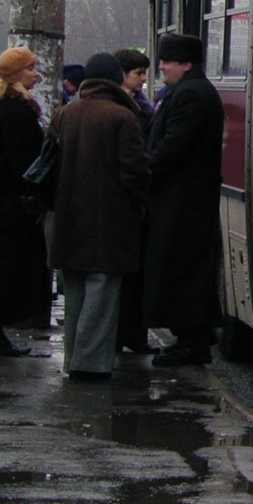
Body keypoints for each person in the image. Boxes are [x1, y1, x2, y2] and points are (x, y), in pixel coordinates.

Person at [48, 53, 150, 380]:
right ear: (115, 78)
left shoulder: (65, 114)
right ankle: (90, 364)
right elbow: (134, 172)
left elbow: (48, 164)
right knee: (102, 291)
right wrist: (140, 207)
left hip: (68, 217)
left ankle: (72, 357)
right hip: (109, 220)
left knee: (75, 289)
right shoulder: (122, 117)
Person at [143, 34, 224, 366]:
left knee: (182, 267)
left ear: (186, 64)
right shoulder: (190, 91)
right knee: (183, 266)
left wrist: (145, 169)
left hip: (184, 200)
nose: (161, 67)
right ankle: (190, 336)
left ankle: (192, 340)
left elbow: (173, 145)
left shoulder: (191, 94)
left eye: (167, 61)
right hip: (185, 198)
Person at [0, 46, 49, 356]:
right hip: (12, 207)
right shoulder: (18, 112)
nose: (36, 73)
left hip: (4, 204)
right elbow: (25, 164)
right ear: (17, 74)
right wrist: (33, 197)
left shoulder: (2, 105)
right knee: (9, 270)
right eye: (30, 68)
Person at [111, 48, 156, 354]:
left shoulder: (141, 106)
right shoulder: (121, 109)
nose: (143, 79)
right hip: (123, 202)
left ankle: (134, 332)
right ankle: (125, 333)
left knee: (135, 273)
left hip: (134, 202)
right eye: (137, 73)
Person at [113, 48, 154, 137]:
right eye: (138, 73)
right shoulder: (111, 103)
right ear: (123, 74)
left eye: (144, 73)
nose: (144, 78)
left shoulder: (142, 104)